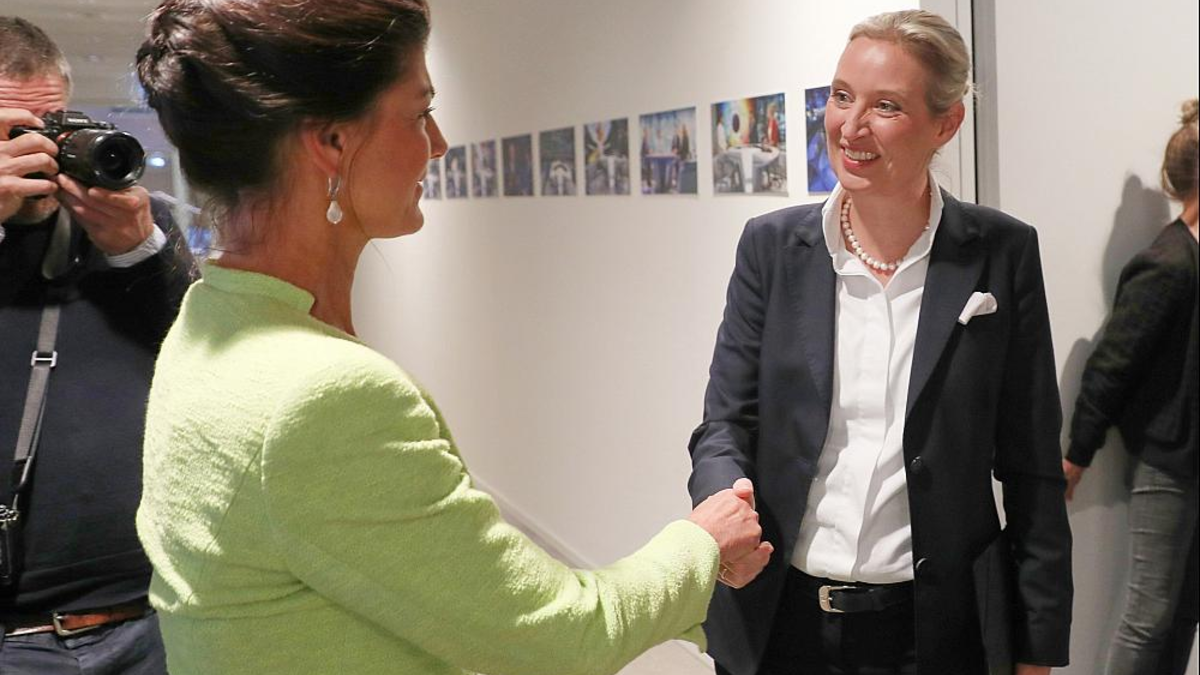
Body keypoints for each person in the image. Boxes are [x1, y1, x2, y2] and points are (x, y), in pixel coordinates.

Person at [132, 1, 772, 674]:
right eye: (419, 113)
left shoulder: (208, 318)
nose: (437, 144)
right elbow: (557, 637)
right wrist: (700, 545)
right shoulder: (321, 396)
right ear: (333, 143)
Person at [687, 10, 1073, 675]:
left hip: (935, 630)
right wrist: (724, 510)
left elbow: (1032, 463)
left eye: (886, 106)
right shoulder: (771, 248)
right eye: (842, 96)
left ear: (945, 124)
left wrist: (1038, 646)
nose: (850, 126)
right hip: (780, 620)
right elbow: (725, 423)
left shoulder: (1001, 253)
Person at [0, 15, 194, 675]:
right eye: (13, 135)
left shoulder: (133, 220)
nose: (40, 153)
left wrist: (142, 250)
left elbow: (203, 358)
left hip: (148, 615)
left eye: (51, 127)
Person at [1064, 98, 1199, 675]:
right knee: (1148, 616)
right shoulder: (1167, 263)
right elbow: (1111, 366)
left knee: (1183, 610)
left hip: (1190, 460)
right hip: (1167, 465)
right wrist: (1077, 455)